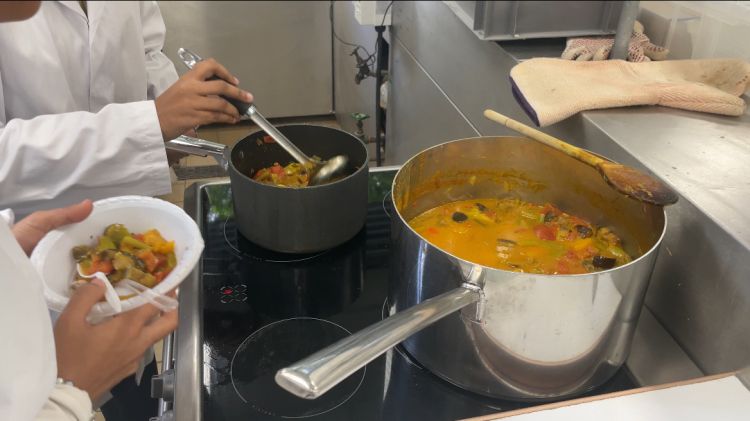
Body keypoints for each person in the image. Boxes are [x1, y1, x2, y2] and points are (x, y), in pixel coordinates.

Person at [0, 1, 253, 218]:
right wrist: (146, 127)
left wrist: (173, 124)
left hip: (136, 200)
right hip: (39, 226)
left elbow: (148, 47)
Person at [1, 199, 178, 421]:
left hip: (39, 332)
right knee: (125, 398)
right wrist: (70, 394)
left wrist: (8, 252)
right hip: (46, 373)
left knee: (136, 386)